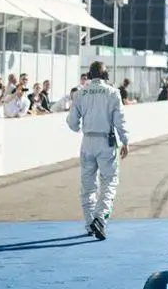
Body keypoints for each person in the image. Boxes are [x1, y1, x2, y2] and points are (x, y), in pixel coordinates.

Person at [66, 61, 129, 240]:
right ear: (105, 75)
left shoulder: (80, 93)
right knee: (110, 181)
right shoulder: (113, 92)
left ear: (90, 74)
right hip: (106, 141)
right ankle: (100, 218)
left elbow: (71, 123)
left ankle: (89, 224)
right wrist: (125, 141)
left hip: (87, 141)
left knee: (88, 186)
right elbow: (120, 121)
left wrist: (81, 127)